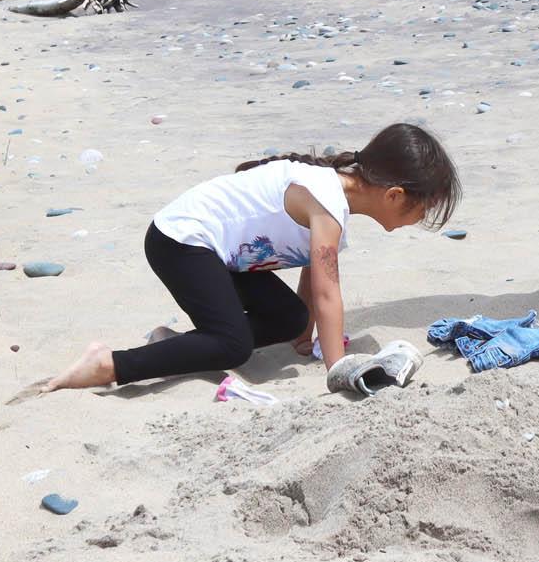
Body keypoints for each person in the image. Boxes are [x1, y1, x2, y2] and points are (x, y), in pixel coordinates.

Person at [41, 123, 460, 392]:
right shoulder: (328, 202)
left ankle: (176, 345)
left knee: (290, 317)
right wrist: (340, 369)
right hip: (181, 240)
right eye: (423, 210)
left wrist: (305, 334)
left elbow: (314, 282)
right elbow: (330, 293)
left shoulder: (335, 201)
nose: (421, 219)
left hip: (225, 255)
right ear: (395, 196)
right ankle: (108, 364)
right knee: (233, 344)